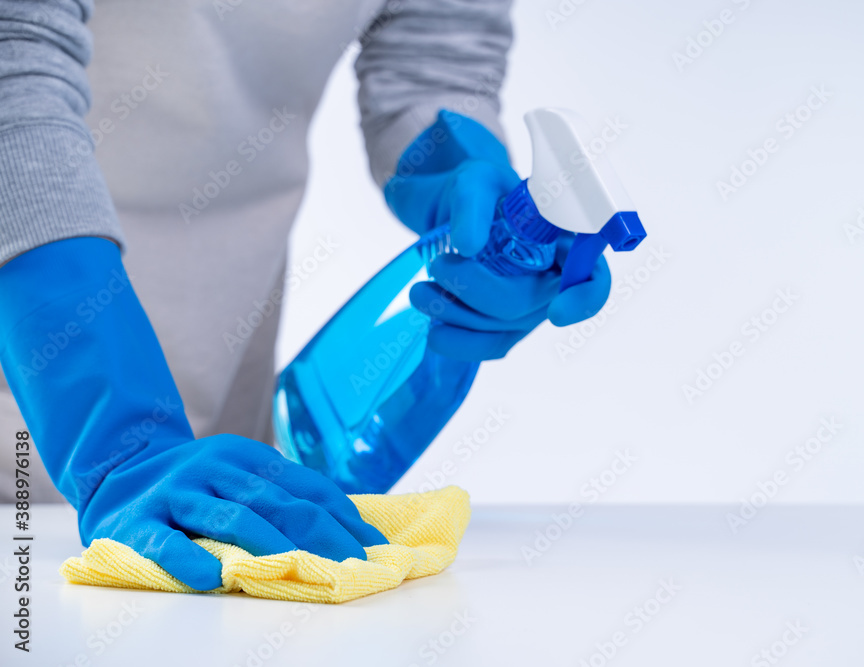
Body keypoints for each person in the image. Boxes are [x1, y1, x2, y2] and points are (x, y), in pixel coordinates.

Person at [0, 0, 611, 590]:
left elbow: (433, 60)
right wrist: (119, 435)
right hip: (43, 365)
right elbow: (13, 61)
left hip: (213, 418)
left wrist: (464, 177)